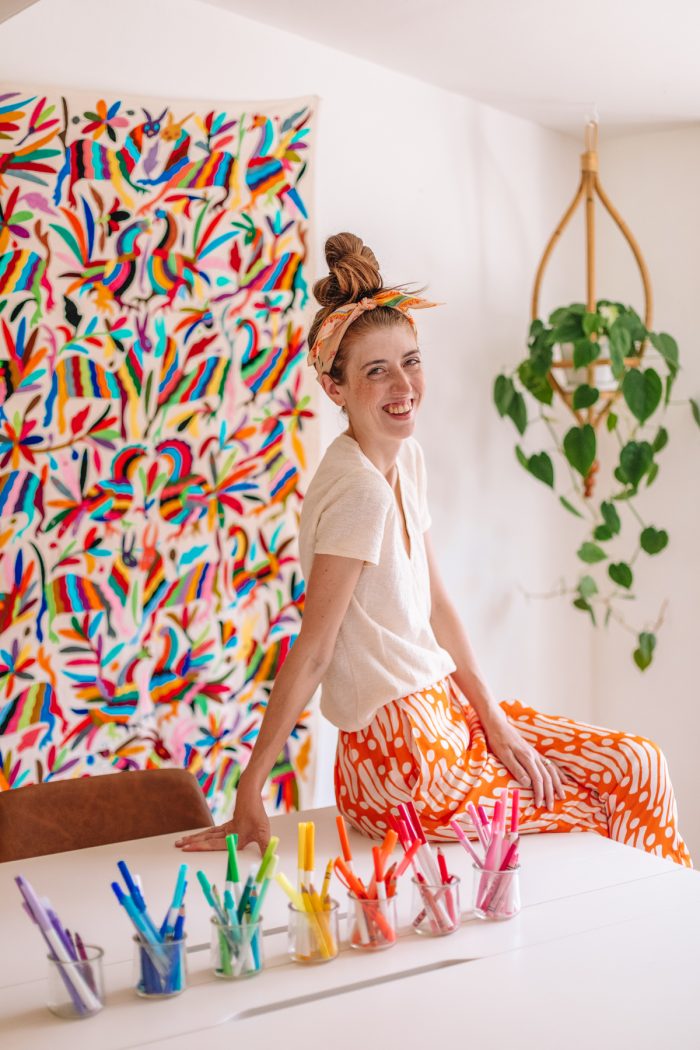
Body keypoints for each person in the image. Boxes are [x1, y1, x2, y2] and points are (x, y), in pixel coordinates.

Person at [176, 232, 691, 868]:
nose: (403, 385)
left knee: (639, 763)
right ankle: (652, 949)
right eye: (376, 370)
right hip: (398, 760)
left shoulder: (405, 459)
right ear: (335, 390)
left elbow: (438, 608)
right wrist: (250, 788)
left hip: (445, 715)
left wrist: (494, 719)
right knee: (606, 806)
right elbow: (313, 651)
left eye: (411, 361)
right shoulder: (357, 490)